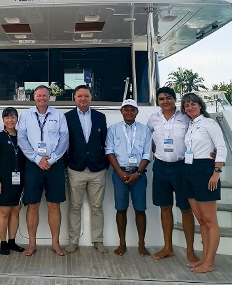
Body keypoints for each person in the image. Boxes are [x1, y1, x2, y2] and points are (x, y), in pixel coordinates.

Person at [147, 86, 198, 262]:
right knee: (165, 207)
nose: (165, 101)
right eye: (161, 99)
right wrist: (156, 153)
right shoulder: (153, 119)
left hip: (182, 167)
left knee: (186, 208)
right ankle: (168, 247)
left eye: (168, 98)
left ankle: (190, 250)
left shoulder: (186, 117)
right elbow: (149, 139)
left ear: (174, 99)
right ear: (158, 101)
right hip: (160, 167)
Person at [17, 85, 69, 257]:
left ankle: (55, 243)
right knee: (32, 205)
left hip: (54, 164)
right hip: (33, 164)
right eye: (39, 96)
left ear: (49, 97)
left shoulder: (58, 115)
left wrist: (52, 159)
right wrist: (37, 159)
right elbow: (22, 139)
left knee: (54, 205)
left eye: (45, 95)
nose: (42, 98)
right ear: (34, 97)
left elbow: (64, 139)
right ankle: (32, 244)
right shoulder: (25, 116)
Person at [180, 92, 226, 273]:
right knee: (201, 220)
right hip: (189, 169)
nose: (190, 107)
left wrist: (216, 173)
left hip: (205, 170)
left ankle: (209, 262)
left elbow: (221, 147)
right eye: (186, 105)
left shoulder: (209, 123)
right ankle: (205, 258)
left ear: (200, 105)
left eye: (193, 104)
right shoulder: (190, 125)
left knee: (209, 220)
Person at [105, 98, 152, 257]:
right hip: (120, 174)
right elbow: (109, 151)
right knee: (121, 209)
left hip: (139, 174)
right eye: (126, 109)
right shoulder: (113, 129)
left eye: (132, 109)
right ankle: (122, 244)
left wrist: (138, 173)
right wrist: (119, 172)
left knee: (140, 209)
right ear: (121, 111)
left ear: (137, 112)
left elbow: (147, 154)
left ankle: (141, 244)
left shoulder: (145, 130)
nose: (129, 112)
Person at [65, 85, 109, 254]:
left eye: (86, 96)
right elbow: (64, 142)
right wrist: (68, 163)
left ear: (91, 98)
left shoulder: (100, 117)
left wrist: (104, 164)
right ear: (74, 98)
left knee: (97, 207)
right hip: (76, 169)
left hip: (97, 169)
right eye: (80, 96)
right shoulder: (67, 117)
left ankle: (98, 240)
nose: (83, 99)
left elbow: (105, 142)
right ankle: (73, 241)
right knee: (74, 207)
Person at [0, 107, 26, 255]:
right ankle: (3, 242)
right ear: (3, 120)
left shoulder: (22, 136)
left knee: (15, 211)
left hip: (19, 179)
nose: (10, 120)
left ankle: (12, 241)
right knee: (4, 212)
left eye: (13, 117)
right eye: (7, 117)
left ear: (17, 119)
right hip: (4, 180)